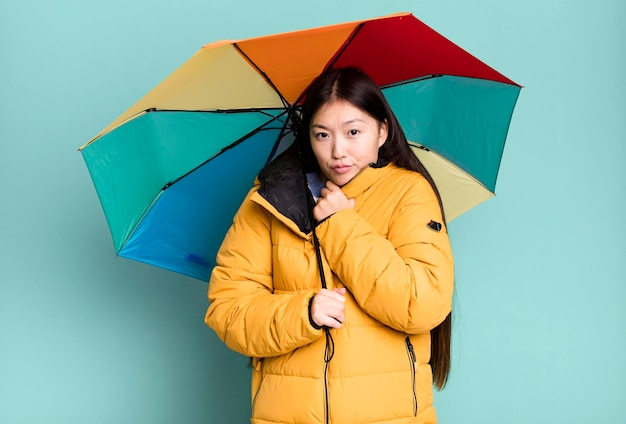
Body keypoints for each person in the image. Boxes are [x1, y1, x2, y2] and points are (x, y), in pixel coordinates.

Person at [205, 67, 454, 424]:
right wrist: (303, 312)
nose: (338, 151)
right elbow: (227, 309)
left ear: (382, 131)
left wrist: (340, 225)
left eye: (354, 132)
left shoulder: (409, 193)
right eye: (322, 134)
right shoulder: (269, 200)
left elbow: (425, 302)